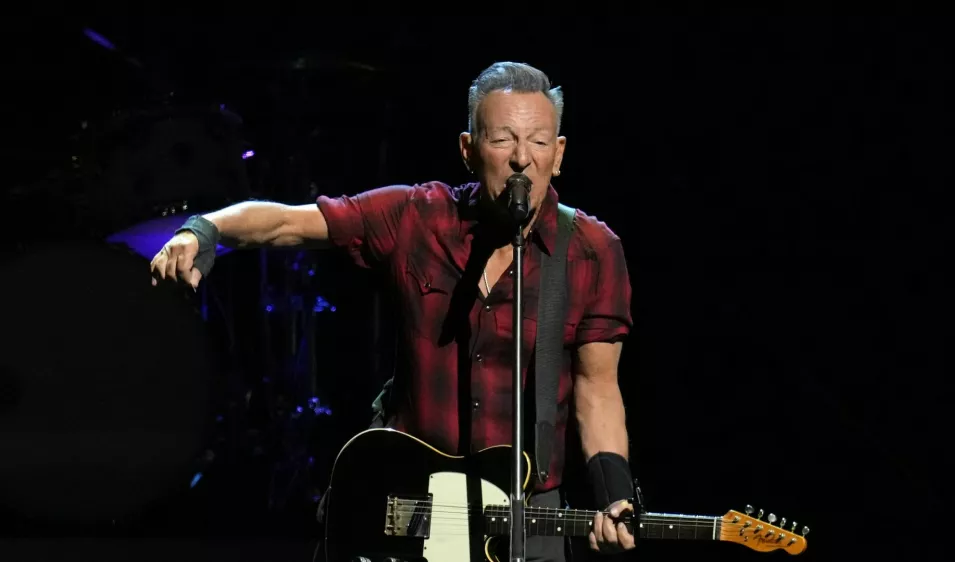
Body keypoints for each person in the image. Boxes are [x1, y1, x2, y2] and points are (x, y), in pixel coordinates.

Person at [149, 61, 635, 562]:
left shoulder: (592, 251)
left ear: (559, 154)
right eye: (501, 140)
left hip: (526, 516)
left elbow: (597, 389)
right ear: (468, 150)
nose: (521, 159)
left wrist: (614, 493)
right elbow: (289, 223)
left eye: (538, 142)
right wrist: (204, 230)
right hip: (410, 504)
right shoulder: (417, 217)